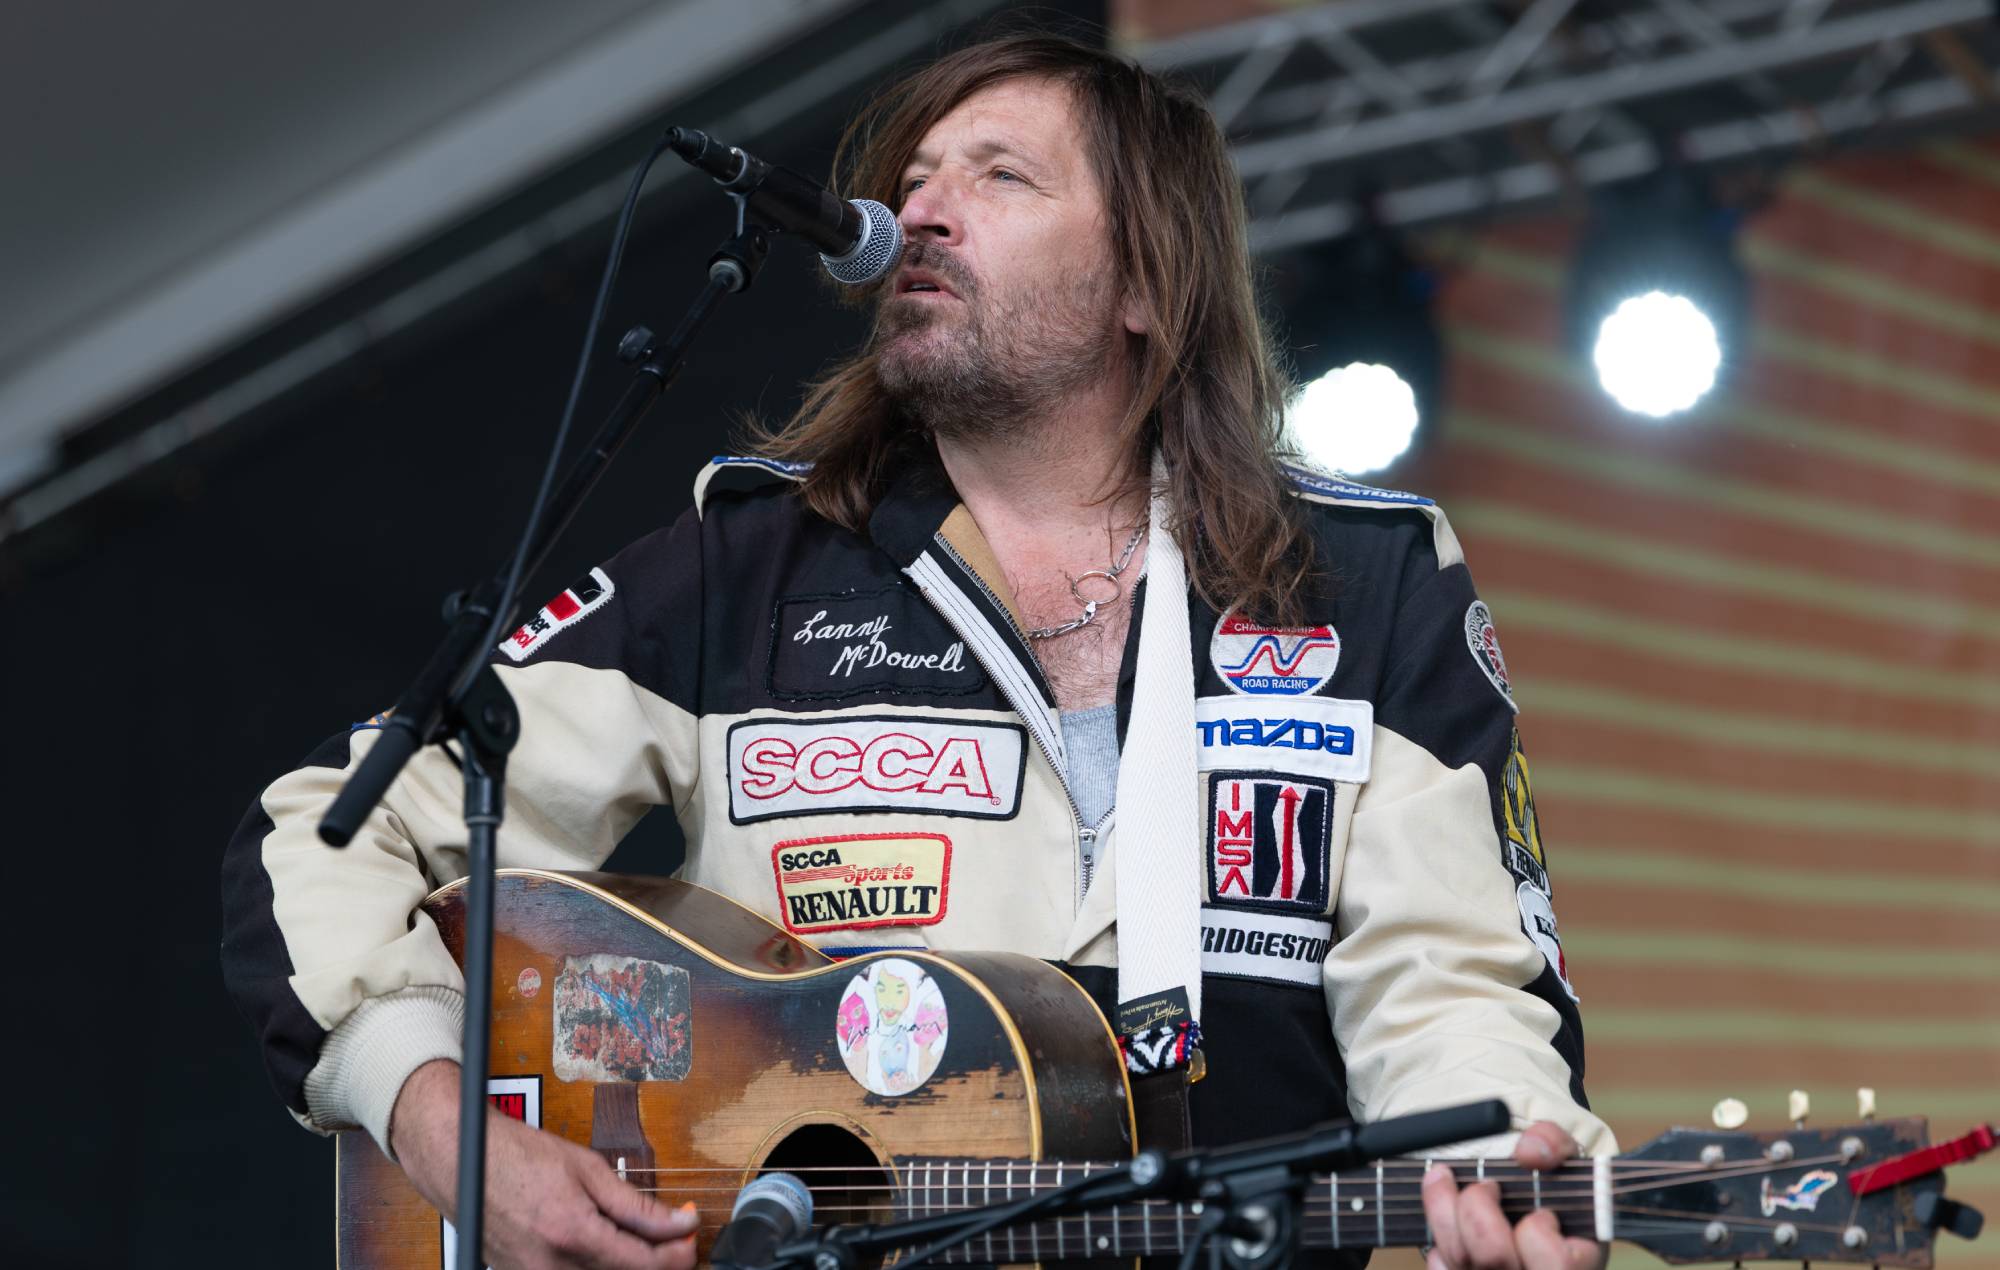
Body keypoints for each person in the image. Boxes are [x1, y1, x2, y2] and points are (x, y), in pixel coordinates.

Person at [222, 33, 1613, 1270]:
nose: (918, 211)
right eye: (916, 176)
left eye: (1000, 177)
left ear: (1147, 279)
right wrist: (449, 1131)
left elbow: (1454, 988)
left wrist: (1508, 1169)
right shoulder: (743, 568)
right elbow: (325, 831)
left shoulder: (1360, 583)